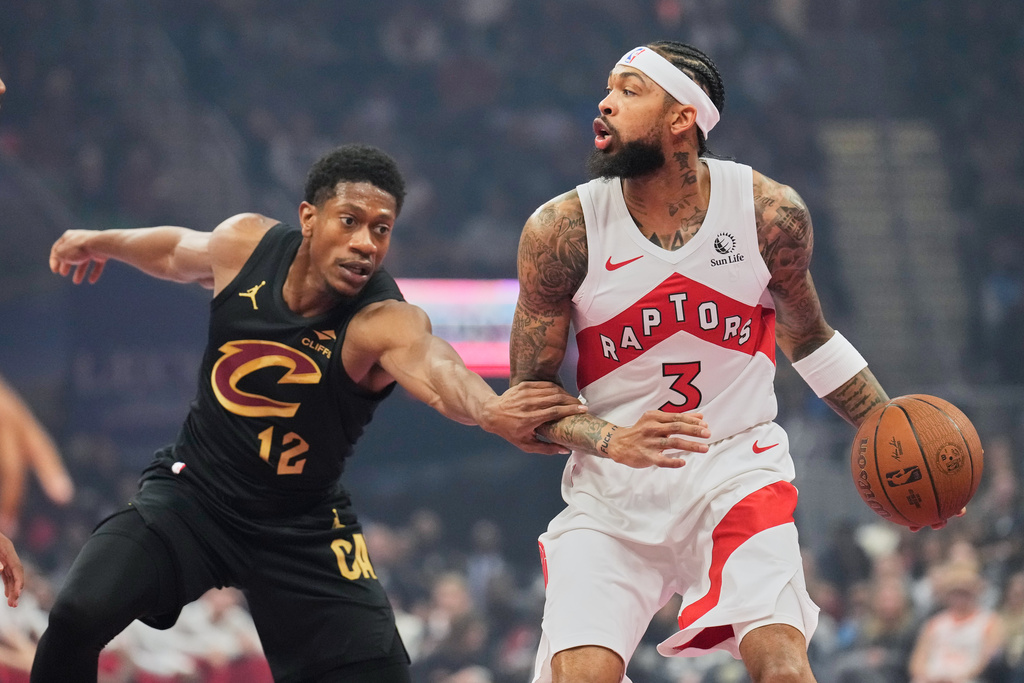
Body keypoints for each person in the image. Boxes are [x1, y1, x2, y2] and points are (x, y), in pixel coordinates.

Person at [34, 143, 586, 683]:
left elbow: (439, 373)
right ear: (308, 217)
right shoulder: (245, 244)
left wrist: (490, 410)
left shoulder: (382, 318)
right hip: (193, 495)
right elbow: (177, 251)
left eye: (381, 229)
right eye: (349, 221)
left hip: (300, 524)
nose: (366, 244)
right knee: (75, 615)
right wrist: (100, 241)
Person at [510, 41, 948, 683]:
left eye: (630, 91)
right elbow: (528, 401)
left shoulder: (769, 213)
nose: (604, 103)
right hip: (612, 490)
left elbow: (810, 339)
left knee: (784, 669)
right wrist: (611, 437)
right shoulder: (562, 231)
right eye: (608, 89)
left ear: (681, 118)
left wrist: (895, 433)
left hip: (735, 469)